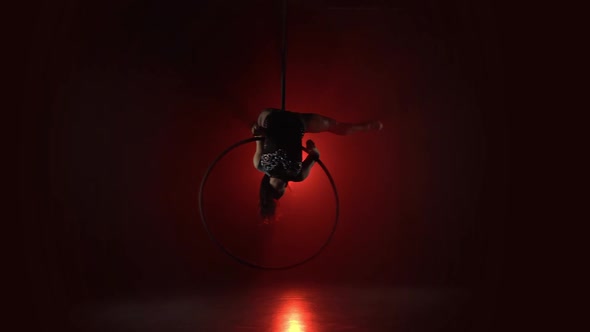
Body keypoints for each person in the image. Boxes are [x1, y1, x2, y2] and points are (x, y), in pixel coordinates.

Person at [252, 108, 383, 223]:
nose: (282, 188)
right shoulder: (298, 175)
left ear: (269, 185)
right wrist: (311, 148)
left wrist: (258, 130)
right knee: (335, 126)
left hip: (272, 118)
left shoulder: (260, 164)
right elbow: (315, 155)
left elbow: (259, 137)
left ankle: (367, 126)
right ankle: (366, 126)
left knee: (264, 118)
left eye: (278, 191)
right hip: (298, 123)